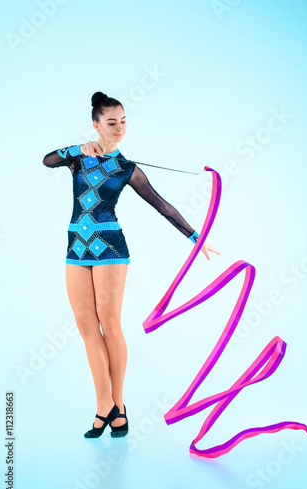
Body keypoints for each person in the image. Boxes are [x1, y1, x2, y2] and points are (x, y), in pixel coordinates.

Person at [42, 91, 220, 439]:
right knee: (85, 325)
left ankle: (116, 406)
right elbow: (47, 160)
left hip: (110, 246)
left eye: (123, 121)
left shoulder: (127, 168)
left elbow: (162, 205)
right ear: (96, 125)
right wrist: (77, 149)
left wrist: (196, 239)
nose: (120, 128)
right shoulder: (78, 158)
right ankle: (106, 405)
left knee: (109, 323)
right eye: (112, 123)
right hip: (76, 246)